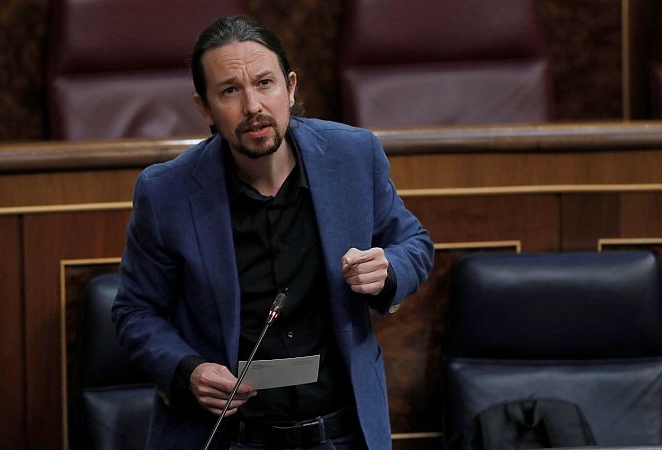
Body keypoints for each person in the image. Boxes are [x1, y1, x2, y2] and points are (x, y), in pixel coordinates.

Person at [112, 15, 434, 450]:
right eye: (230, 91)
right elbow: (135, 311)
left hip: (341, 432)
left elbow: (415, 245)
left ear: (291, 87)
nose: (253, 107)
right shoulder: (167, 192)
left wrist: (388, 270)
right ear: (204, 108)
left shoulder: (352, 156)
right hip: (232, 437)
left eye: (265, 83)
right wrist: (188, 370)